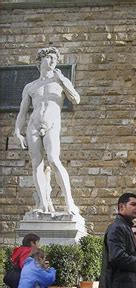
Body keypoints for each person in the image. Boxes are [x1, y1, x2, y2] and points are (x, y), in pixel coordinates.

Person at [14, 47, 81, 216]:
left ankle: (69, 202)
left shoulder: (59, 81)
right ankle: (43, 204)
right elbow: (22, 112)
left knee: (53, 159)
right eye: (49, 58)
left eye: (55, 59)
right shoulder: (31, 86)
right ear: (41, 60)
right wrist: (17, 131)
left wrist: (63, 79)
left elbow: (76, 99)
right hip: (33, 125)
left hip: (52, 124)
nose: (52, 62)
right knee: (37, 163)